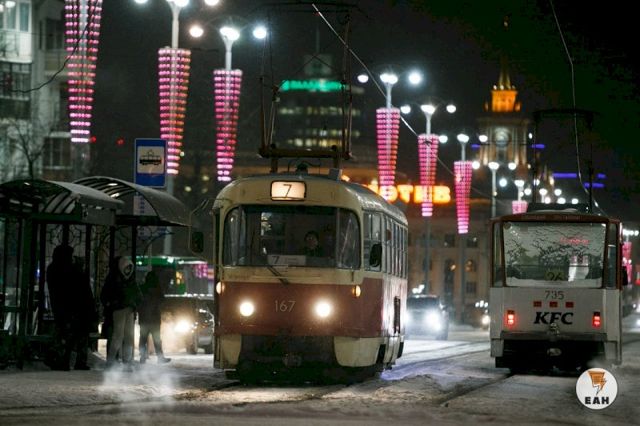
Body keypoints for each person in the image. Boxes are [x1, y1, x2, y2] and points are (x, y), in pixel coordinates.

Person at [46, 244, 97, 371]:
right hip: (74, 308)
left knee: (67, 335)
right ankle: (72, 361)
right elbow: (81, 289)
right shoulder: (70, 270)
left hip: (64, 308)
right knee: (73, 336)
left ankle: (64, 361)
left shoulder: (54, 268)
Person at [100, 256, 142, 371]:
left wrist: (134, 303)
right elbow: (105, 295)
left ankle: (125, 362)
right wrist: (112, 304)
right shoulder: (115, 279)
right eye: (126, 268)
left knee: (128, 337)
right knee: (118, 336)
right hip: (119, 310)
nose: (128, 270)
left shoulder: (126, 279)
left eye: (129, 268)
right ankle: (112, 361)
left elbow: (138, 294)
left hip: (127, 309)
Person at [138, 270, 171, 364]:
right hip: (154, 319)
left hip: (144, 318)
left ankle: (143, 357)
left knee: (143, 338)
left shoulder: (142, 288)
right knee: (157, 339)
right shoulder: (157, 289)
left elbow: (138, 301)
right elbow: (162, 301)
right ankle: (160, 357)